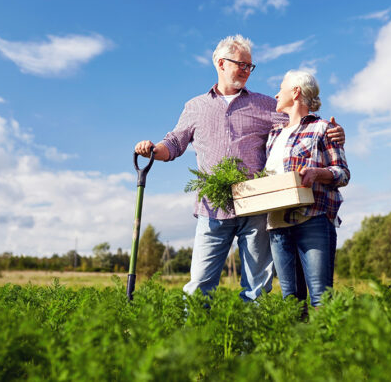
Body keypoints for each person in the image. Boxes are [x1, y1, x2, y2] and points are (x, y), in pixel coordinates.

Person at [134, 34, 345, 301]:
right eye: (241, 64)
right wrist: (153, 150)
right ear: (221, 63)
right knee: (199, 284)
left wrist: (334, 132)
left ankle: (250, 341)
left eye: (250, 66)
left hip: (255, 206)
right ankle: (194, 340)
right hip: (212, 206)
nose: (247, 71)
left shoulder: (266, 104)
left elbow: (301, 122)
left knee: (257, 288)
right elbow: (174, 143)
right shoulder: (195, 106)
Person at [265, 70, 350, 308]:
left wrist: (316, 173)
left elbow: (343, 173)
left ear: (295, 91)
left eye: (280, 87)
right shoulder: (273, 134)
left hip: (312, 219)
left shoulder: (323, 128)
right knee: (291, 303)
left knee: (320, 300)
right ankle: (299, 346)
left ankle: (324, 345)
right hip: (278, 224)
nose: (276, 93)